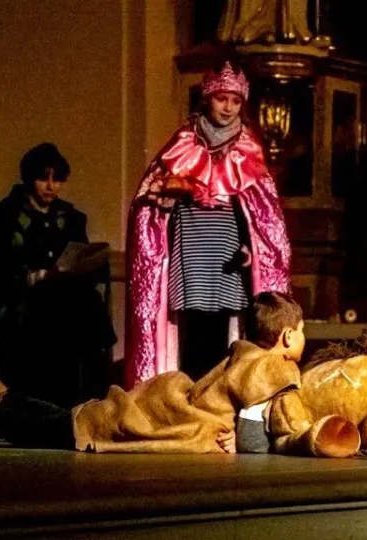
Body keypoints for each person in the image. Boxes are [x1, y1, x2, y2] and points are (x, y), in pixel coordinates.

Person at [0, 292, 306, 454]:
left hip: (149, 408)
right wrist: (242, 442)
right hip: (145, 422)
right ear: (286, 337)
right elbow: (254, 435)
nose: (304, 338)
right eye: (302, 331)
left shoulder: (242, 353)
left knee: (60, 419)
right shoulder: (273, 367)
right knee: (34, 431)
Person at [125, 61, 291, 387]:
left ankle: (217, 400)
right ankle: (187, 400)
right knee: (192, 335)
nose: (228, 107)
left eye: (235, 101)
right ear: (207, 98)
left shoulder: (248, 150)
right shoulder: (182, 144)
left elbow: (260, 214)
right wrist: (166, 197)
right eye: (221, 99)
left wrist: (252, 248)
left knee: (224, 337)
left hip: (228, 261)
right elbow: (152, 204)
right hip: (191, 257)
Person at [0, 143, 116, 408]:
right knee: (52, 310)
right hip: (21, 297)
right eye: (44, 178)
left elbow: (80, 254)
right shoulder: (7, 214)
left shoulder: (70, 217)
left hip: (64, 292)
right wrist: (33, 275)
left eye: (57, 179)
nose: (51, 186)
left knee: (88, 303)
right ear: (30, 178)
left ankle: (89, 397)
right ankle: (44, 399)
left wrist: (83, 266)